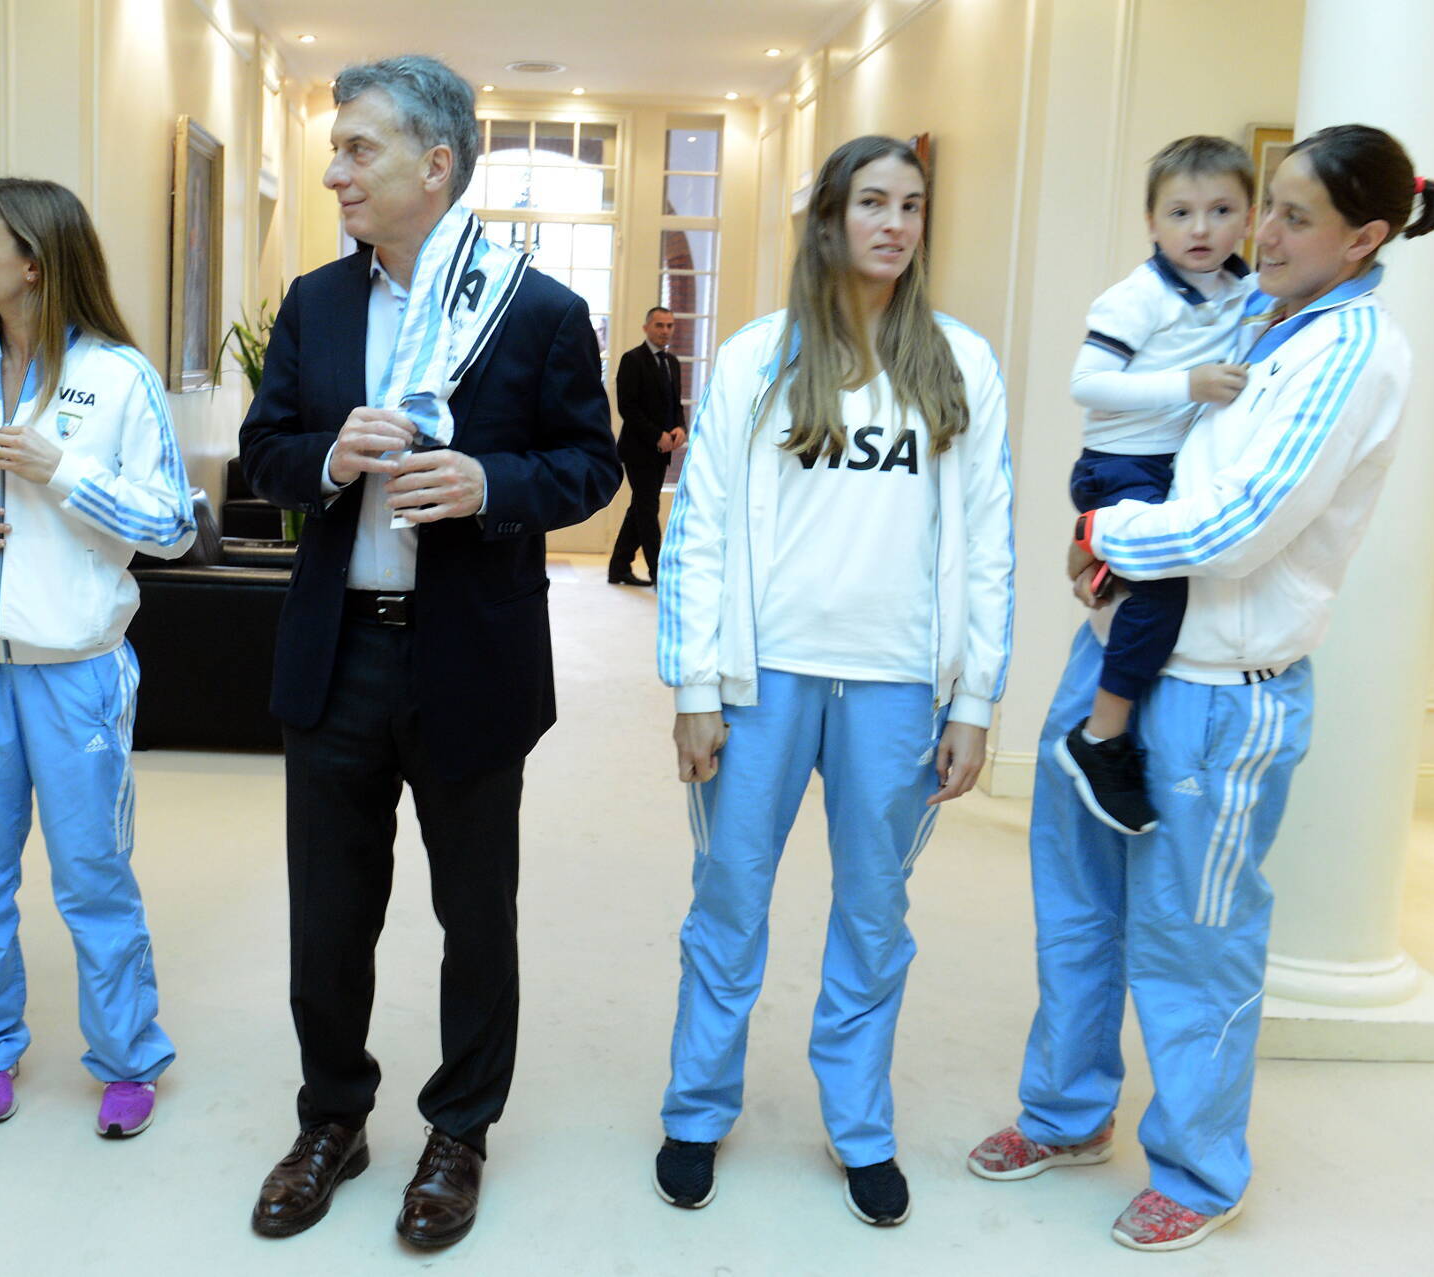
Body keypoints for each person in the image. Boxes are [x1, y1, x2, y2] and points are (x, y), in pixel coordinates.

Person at [967, 124, 1434, 1253]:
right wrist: (1112, 539)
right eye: (1264, 203)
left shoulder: (1350, 351)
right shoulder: (1256, 313)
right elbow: (1157, 427)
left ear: (1365, 238)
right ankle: (1065, 1111)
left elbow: (1235, 527)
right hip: (1117, 649)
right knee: (1077, 905)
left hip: (1219, 697)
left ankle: (1196, 1165)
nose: (1258, 232)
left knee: (1193, 937)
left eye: (1290, 216)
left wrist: (1101, 527)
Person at [238, 55, 618, 1249]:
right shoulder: (314, 303)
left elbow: (591, 465)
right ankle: (331, 1119)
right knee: (327, 911)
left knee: (474, 912)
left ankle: (458, 1130)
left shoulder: (538, 310)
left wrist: (488, 481)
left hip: (468, 656)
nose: (334, 168)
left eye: (359, 148)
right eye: (336, 147)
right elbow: (264, 453)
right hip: (335, 651)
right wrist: (324, 459)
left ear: (435, 163)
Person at [652, 136, 1015, 1226]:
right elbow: (698, 524)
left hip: (898, 686)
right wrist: (693, 685)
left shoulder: (960, 362)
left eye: (910, 205)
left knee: (872, 909)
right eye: (871, 203)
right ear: (829, 218)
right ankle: (695, 1107)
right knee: (728, 897)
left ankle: (858, 1121)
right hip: (762, 680)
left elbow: (988, 538)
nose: (893, 224)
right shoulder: (758, 357)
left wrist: (974, 699)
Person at [0, 177, 195, 1138]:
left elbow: (173, 525)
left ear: (33, 259)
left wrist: (65, 471)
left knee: (92, 872)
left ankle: (127, 1056)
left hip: (75, 673)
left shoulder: (118, 378)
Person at [1055, 136, 1258, 836]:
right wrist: (1187, 384)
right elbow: (1085, 382)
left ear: (1249, 217)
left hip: (1176, 467)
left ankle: (1094, 555)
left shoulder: (1243, 288)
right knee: (1164, 588)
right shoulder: (1138, 297)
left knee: (1165, 579)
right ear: (1152, 222)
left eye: (1220, 210)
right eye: (1180, 213)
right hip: (1122, 465)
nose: (1199, 229)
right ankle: (1101, 735)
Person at [609, 306, 687, 586]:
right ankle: (659, 573)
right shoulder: (632, 360)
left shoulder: (673, 363)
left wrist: (680, 428)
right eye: (659, 325)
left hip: (662, 450)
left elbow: (675, 405)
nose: (665, 330)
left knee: (640, 506)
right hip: (638, 449)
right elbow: (627, 407)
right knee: (647, 508)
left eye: (669, 325)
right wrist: (657, 434)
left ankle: (618, 567)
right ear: (646, 328)